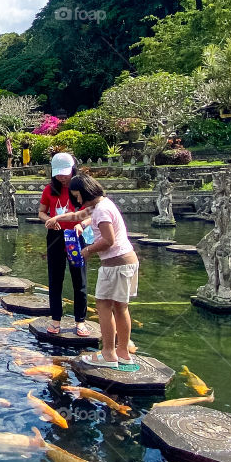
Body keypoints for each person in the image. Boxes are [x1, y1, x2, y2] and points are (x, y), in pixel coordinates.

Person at [47, 172, 139, 370]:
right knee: (121, 307)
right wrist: (57, 218)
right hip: (127, 261)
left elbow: (108, 240)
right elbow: (76, 216)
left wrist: (87, 250)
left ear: (85, 191)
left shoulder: (102, 211)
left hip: (116, 264)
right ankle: (122, 353)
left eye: (78, 196)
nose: (78, 201)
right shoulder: (101, 205)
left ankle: (108, 354)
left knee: (103, 305)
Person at [38, 153, 90, 337]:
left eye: (65, 174)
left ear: (73, 170)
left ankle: (80, 321)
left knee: (79, 278)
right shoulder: (49, 189)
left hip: (76, 235)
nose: (62, 178)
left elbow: (92, 213)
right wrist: (49, 220)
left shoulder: (82, 188)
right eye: (58, 174)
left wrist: (82, 225)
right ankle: (55, 319)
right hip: (55, 236)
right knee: (55, 278)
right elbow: (41, 212)